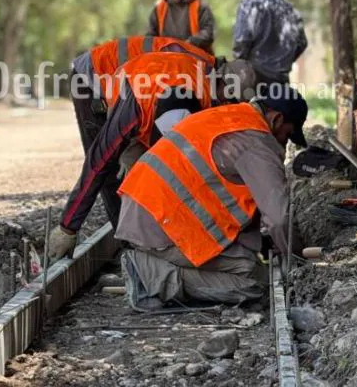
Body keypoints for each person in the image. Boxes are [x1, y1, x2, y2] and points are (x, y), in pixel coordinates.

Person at [49, 52, 257, 262]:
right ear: (222, 83)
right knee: (112, 168)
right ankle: (130, 245)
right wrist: (68, 227)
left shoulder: (203, 86)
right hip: (108, 81)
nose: (225, 107)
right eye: (229, 100)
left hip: (156, 95)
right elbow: (97, 162)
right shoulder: (137, 104)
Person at [115, 87, 308, 309]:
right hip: (158, 225)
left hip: (143, 212)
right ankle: (149, 276)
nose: (284, 145)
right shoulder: (256, 141)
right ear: (276, 119)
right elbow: (279, 218)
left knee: (247, 260)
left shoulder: (229, 117)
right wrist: (298, 260)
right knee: (255, 281)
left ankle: (153, 264)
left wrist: (262, 242)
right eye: (287, 135)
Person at [69, 36, 215, 154]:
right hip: (89, 74)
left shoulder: (197, 68)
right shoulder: (195, 67)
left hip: (109, 73)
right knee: (105, 155)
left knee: (117, 153)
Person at [232, 0, 307, 90]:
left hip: (255, 76)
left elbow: (242, 40)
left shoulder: (249, 5)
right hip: (281, 77)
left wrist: (239, 65)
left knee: (256, 108)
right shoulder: (289, 8)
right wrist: (285, 61)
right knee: (279, 108)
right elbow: (302, 42)